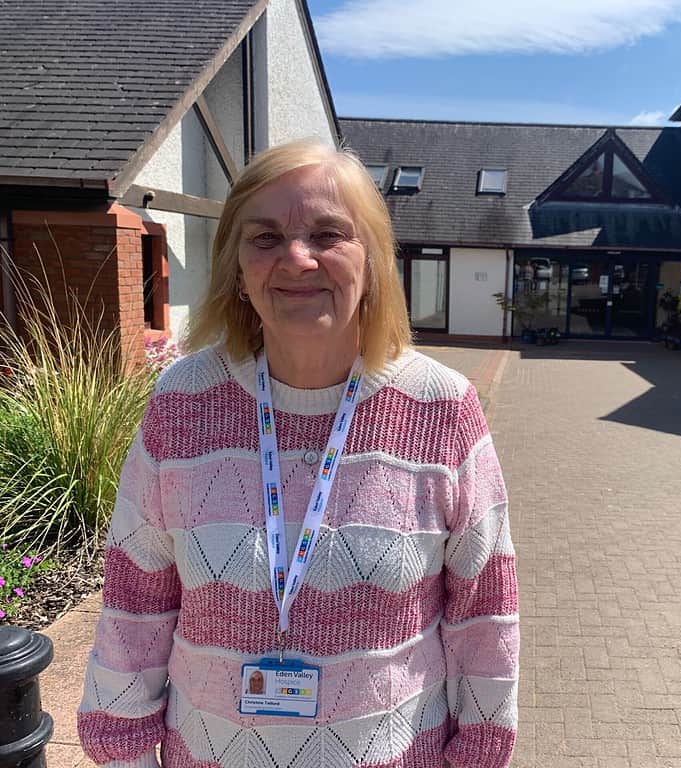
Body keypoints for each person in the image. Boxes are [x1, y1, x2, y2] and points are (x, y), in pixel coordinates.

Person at [78, 140, 519, 768]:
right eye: (265, 237)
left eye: (328, 233)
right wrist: (123, 754)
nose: (296, 258)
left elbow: (485, 619)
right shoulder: (183, 402)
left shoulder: (442, 409)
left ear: (372, 260)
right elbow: (136, 602)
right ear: (235, 265)